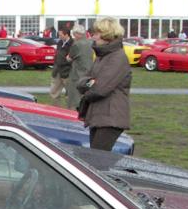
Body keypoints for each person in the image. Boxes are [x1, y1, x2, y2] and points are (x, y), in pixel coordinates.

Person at [76, 17, 132, 150]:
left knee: (98, 162)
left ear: (106, 34)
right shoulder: (102, 56)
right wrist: (89, 82)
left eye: (96, 33)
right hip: (98, 116)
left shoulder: (118, 57)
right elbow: (82, 81)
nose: (93, 37)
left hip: (110, 118)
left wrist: (89, 84)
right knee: (95, 159)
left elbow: (100, 89)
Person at [65, 25, 93, 111]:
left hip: (77, 74)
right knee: (86, 95)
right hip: (89, 72)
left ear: (77, 34)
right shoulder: (91, 42)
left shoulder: (77, 44)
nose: (73, 36)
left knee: (74, 97)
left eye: (74, 34)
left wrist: (68, 58)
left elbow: (69, 58)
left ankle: (74, 113)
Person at [49, 27, 72, 105]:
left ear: (66, 35)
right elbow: (58, 56)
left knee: (70, 94)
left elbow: (73, 58)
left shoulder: (73, 43)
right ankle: (56, 111)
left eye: (60, 35)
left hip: (68, 72)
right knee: (54, 92)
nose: (59, 37)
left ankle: (70, 113)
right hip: (57, 71)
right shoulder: (59, 43)